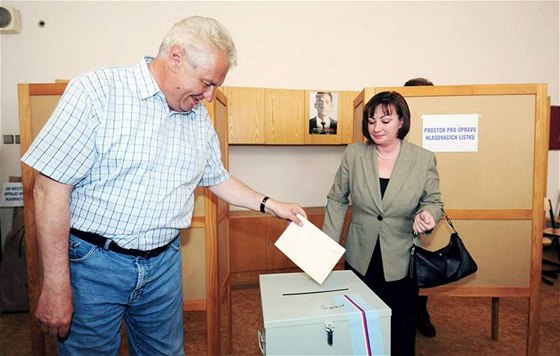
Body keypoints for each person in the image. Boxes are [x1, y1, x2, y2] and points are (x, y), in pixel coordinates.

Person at [21, 16, 306, 355]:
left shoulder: (198, 117)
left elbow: (218, 178)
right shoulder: (97, 91)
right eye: (207, 82)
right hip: (95, 263)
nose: (211, 96)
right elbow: (49, 188)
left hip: (163, 265)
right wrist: (55, 285)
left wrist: (272, 204)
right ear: (175, 58)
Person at [322, 91, 443, 356]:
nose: (376, 128)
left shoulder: (423, 159)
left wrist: (429, 215)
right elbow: (337, 198)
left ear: (402, 121)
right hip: (360, 254)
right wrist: (327, 247)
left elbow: (434, 201)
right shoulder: (354, 154)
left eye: (385, 121)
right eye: (371, 120)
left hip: (401, 256)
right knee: (359, 324)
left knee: (400, 327)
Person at [404, 76, 437, 338]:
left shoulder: (435, 127)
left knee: (421, 269)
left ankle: (421, 312)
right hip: (396, 216)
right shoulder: (395, 126)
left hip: (424, 213)